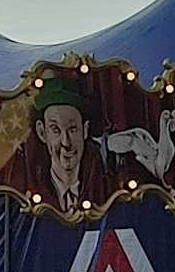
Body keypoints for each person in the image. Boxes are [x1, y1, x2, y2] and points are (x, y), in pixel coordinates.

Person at [21, 76, 112, 212]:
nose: (66, 142)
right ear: (42, 132)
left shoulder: (106, 189)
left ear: (85, 130)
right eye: (55, 129)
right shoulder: (27, 192)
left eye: (73, 129)